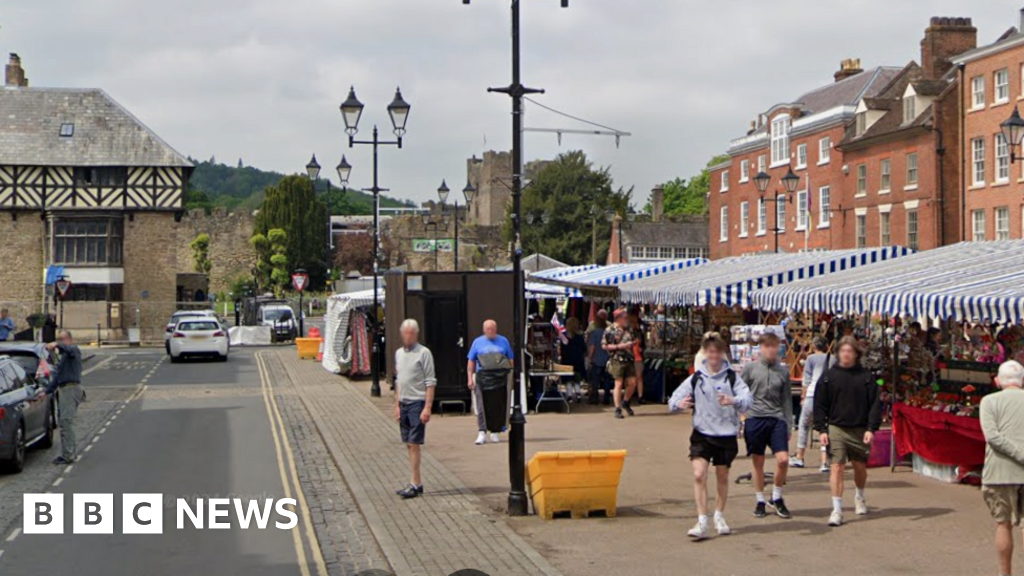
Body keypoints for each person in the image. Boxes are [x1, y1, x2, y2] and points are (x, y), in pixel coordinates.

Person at [669, 334, 752, 540]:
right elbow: (675, 398)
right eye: (710, 352)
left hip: (725, 434)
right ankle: (701, 520)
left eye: (717, 352)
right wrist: (677, 405)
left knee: (722, 476)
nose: (713, 356)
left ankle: (719, 516)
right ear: (705, 354)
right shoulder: (697, 377)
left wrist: (733, 400)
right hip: (702, 434)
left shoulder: (732, 377)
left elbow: (747, 399)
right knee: (699, 474)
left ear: (723, 354)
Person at [814, 336, 881, 527]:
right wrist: (822, 429)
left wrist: (871, 428)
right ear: (838, 353)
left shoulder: (866, 377)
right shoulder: (828, 376)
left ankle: (859, 496)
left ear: (856, 354)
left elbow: (875, 404)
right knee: (837, 466)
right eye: (843, 351)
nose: (846, 354)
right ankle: (836, 509)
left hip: (859, 429)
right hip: (836, 428)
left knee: (860, 467)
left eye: (849, 351)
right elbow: (819, 404)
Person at [741, 332, 793, 519]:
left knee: (783, 459)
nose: (771, 350)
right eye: (767, 346)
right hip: (755, 418)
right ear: (761, 348)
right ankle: (760, 500)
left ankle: (777, 497)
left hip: (776, 418)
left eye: (775, 346)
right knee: (758, 462)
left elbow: (787, 399)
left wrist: (789, 424)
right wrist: (742, 416)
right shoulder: (750, 368)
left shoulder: (783, 371)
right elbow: (740, 392)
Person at [980, 360, 1024, 576]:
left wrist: (1019, 454)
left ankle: (1005, 574)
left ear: (998, 381)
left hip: (999, 472)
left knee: (1003, 524)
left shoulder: (989, 402)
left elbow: (993, 437)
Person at [393, 319, 436, 499]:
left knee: (414, 443)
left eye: (411, 333)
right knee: (408, 444)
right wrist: (396, 404)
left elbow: (430, 381)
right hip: (404, 402)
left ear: (416, 334)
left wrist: (427, 407)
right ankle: (416, 483)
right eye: (405, 333)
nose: (408, 336)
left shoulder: (424, 353)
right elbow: (398, 380)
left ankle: (415, 482)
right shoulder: (398, 354)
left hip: (417, 402)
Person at [467, 319, 514, 445]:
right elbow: (471, 361)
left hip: (499, 376)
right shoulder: (477, 342)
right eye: (488, 329)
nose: (490, 331)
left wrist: (510, 375)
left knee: (497, 404)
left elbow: (510, 359)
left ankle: (495, 431)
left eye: (492, 329)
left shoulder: (503, 341)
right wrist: (470, 378)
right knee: (482, 405)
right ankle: (482, 431)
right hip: (483, 376)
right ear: (484, 330)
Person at [42, 330, 85, 465]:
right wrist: (46, 391)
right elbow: (57, 377)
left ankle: (68, 455)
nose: (59, 342)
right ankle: (66, 452)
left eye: (61, 339)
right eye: (58, 339)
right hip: (64, 389)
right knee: (63, 421)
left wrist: (56, 344)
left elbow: (69, 348)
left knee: (66, 421)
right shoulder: (64, 357)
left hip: (71, 389)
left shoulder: (73, 350)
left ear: (68, 339)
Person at [793, 337, 834, 472]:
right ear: (826, 345)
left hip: (812, 394)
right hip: (828, 396)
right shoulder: (833, 358)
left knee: (804, 425)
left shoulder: (811, 359)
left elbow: (806, 380)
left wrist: (803, 396)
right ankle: (824, 461)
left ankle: (799, 456)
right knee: (825, 428)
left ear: (814, 346)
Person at [603, 309, 639, 419]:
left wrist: (633, 343)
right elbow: (604, 346)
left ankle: (625, 401)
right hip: (617, 359)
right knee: (618, 383)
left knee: (633, 383)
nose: (627, 320)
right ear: (618, 318)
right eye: (625, 318)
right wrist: (619, 347)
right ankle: (617, 408)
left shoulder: (629, 329)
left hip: (629, 359)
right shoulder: (609, 330)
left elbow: (634, 339)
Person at [559, 317, 586, 403]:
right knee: (577, 378)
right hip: (578, 360)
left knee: (568, 379)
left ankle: (569, 395)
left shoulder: (563, 336)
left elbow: (561, 349)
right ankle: (578, 394)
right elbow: (584, 348)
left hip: (567, 360)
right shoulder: (580, 337)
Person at [587, 310, 611, 405]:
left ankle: (595, 398)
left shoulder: (594, 332)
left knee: (595, 381)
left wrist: (589, 358)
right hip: (607, 359)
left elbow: (592, 347)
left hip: (596, 359)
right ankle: (606, 398)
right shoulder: (609, 332)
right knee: (607, 380)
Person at [630, 314, 646, 404]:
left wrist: (641, 349)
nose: (634, 324)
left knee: (639, 377)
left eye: (635, 322)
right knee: (631, 378)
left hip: (638, 357)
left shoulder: (640, 333)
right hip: (631, 357)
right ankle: (630, 394)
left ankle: (640, 396)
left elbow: (644, 345)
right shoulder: (627, 333)